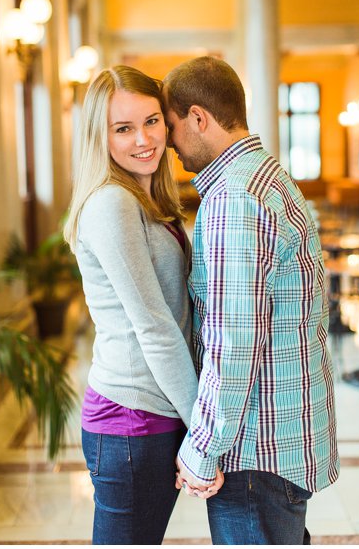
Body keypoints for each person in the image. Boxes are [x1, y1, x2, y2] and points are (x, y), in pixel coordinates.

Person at [161, 56, 340, 545]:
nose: (171, 145)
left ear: (199, 118)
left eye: (173, 127)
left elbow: (233, 343)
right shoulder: (265, 178)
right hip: (278, 436)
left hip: (254, 449)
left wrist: (200, 450)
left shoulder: (233, 199)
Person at [64, 65, 222, 545]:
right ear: (101, 137)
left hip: (151, 415)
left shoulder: (144, 196)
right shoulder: (112, 205)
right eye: (123, 128)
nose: (144, 139)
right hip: (131, 421)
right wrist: (204, 437)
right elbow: (156, 328)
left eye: (152, 121)